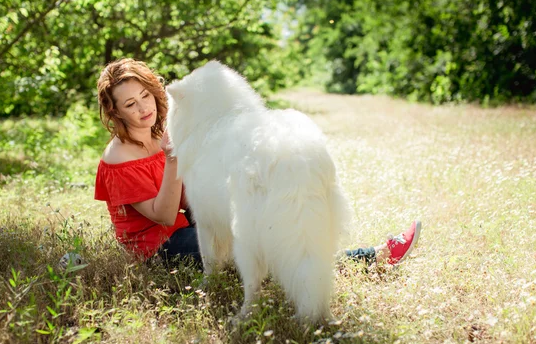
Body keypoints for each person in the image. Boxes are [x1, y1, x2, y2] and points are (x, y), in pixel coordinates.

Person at [93, 58, 421, 268]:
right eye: (130, 104)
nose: (142, 109)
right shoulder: (119, 156)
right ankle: (371, 258)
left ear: (154, 92)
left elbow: (192, 191)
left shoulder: (161, 130)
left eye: (145, 96)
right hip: (158, 245)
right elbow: (164, 216)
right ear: (116, 112)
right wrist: (174, 157)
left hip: (185, 220)